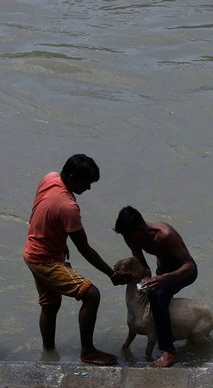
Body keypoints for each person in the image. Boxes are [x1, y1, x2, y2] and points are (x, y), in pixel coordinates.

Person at [22, 154, 123, 366]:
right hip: (46, 260)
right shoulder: (68, 206)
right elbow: (85, 248)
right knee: (91, 294)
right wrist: (111, 273)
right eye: (85, 182)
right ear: (70, 176)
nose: (88, 188)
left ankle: (48, 352)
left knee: (49, 305)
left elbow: (38, 210)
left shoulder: (49, 178)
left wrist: (58, 238)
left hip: (31, 250)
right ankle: (88, 352)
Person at [112, 206, 198, 368]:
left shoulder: (165, 235)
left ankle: (170, 352)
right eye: (124, 236)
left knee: (157, 296)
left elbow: (189, 266)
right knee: (148, 292)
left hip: (183, 272)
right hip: (162, 271)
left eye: (129, 235)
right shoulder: (130, 235)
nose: (127, 239)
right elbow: (143, 267)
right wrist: (140, 279)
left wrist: (163, 278)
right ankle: (166, 331)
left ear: (140, 228)